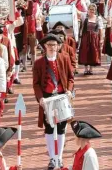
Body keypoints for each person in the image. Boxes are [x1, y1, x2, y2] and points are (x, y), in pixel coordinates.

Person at [32, 34, 74, 169]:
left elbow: (71, 78)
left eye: (54, 45)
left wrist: (69, 90)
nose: (52, 47)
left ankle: (59, 158)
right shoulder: (38, 63)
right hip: (47, 98)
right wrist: (40, 98)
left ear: (58, 46)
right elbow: (36, 84)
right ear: (45, 46)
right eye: (49, 45)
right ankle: (51, 158)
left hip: (61, 96)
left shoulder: (64, 58)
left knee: (61, 128)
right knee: (49, 128)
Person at [78, 4, 104, 75]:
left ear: (95, 11)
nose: (92, 11)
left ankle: (91, 69)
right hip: (85, 37)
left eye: (93, 9)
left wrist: (101, 39)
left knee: (93, 52)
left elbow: (100, 29)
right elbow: (77, 12)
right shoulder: (84, 17)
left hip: (94, 38)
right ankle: (86, 69)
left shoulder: (98, 18)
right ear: (88, 10)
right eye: (90, 9)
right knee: (85, 52)